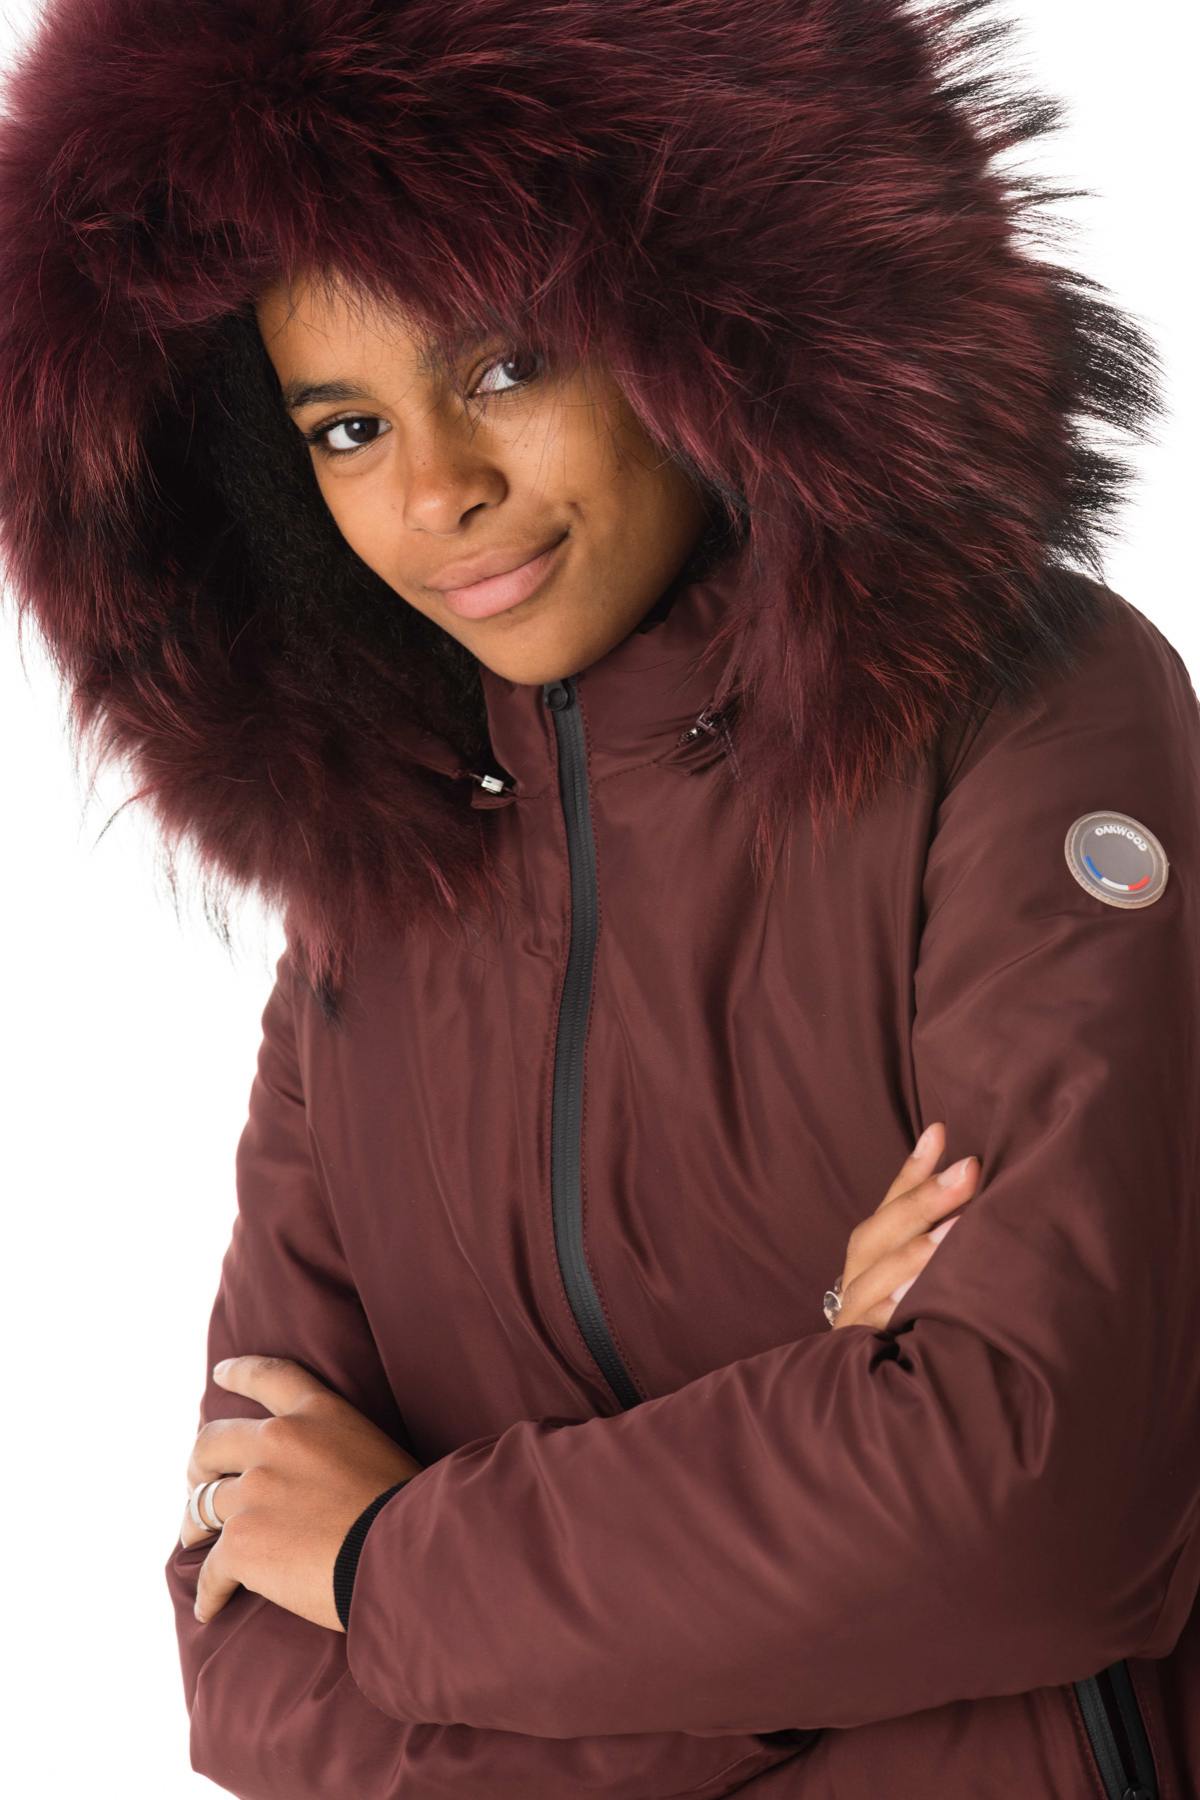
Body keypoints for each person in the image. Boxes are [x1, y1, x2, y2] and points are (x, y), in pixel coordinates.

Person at [0, 1, 1195, 1795]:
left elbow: (1040, 1508)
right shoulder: (376, 898)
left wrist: (384, 1562)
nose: (438, 494)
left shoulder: (1027, 717)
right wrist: (819, 1463)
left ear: (705, 332)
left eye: (505, 370)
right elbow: (246, 1677)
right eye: (346, 427)